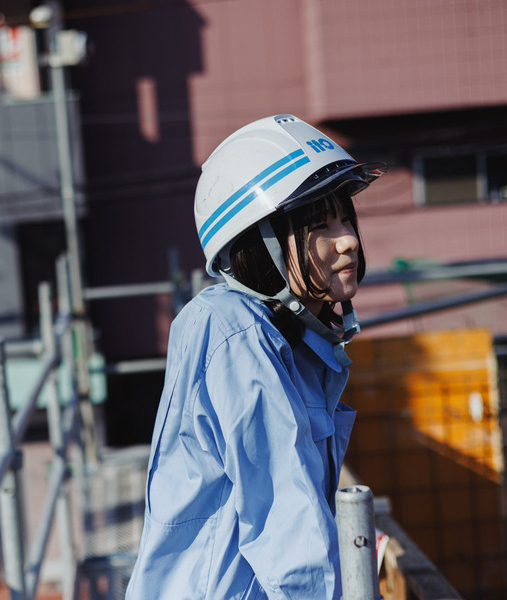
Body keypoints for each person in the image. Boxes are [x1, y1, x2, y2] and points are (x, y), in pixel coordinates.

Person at [125, 114, 386, 600]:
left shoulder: (294, 341)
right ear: (258, 247)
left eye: (345, 218)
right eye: (320, 225)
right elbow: (289, 527)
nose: (348, 238)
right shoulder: (234, 331)